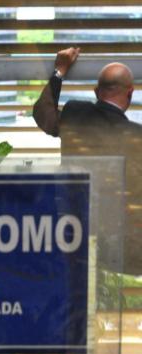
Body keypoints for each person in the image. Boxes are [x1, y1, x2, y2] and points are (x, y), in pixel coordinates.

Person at [33, 47, 142, 276]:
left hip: (75, 238)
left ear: (95, 91)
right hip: (123, 251)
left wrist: (60, 70)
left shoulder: (75, 114)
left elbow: (43, 113)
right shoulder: (136, 136)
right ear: (130, 94)